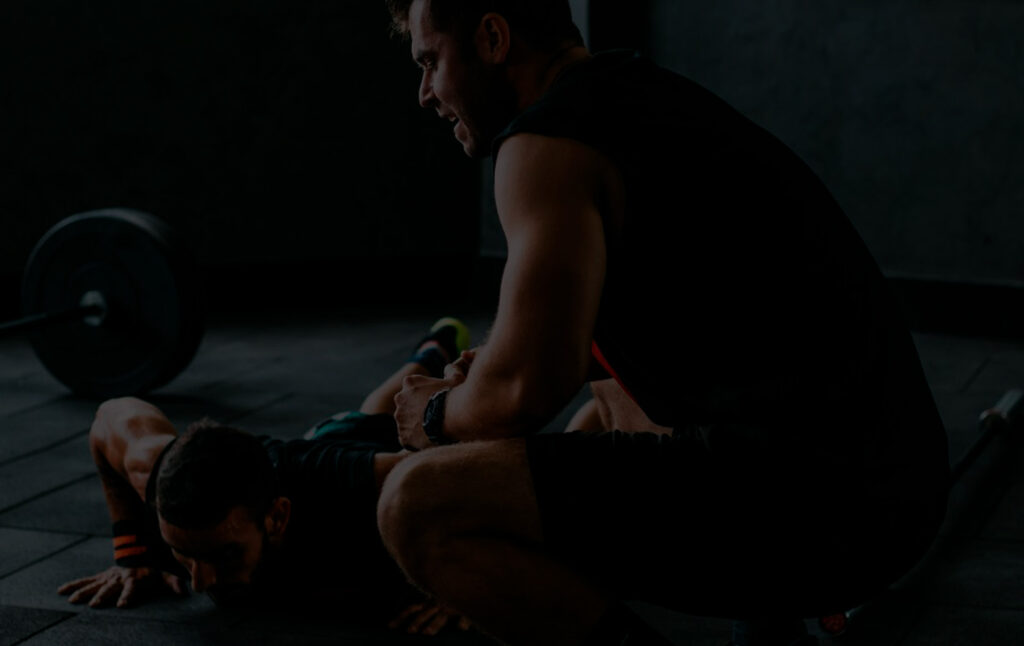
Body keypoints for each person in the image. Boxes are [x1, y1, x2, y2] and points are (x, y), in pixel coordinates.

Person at [380, 2, 951, 646]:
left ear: (491, 37)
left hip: (828, 513)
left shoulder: (545, 143)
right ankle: (769, 621)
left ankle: (772, 597)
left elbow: (521, 395)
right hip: (900, 485)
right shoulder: (644, 97)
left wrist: (435, 415)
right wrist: (502, 357)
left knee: (416, 506)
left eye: (431, 62)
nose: (425, 93)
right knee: (607, 386)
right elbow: (605, 339)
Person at [57, 318, 474, 637]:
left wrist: (462, 586)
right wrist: (133, 552)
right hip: (298, 451)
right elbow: (110, 416)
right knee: (359, 417)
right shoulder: (158, 476)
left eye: (222, 555)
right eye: (182, 553)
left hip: (351, 457)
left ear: (277, 516)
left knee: (390, 419)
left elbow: (472, 477)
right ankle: (432, 348)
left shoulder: (357, 485)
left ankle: (439, 353)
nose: (200, 582)